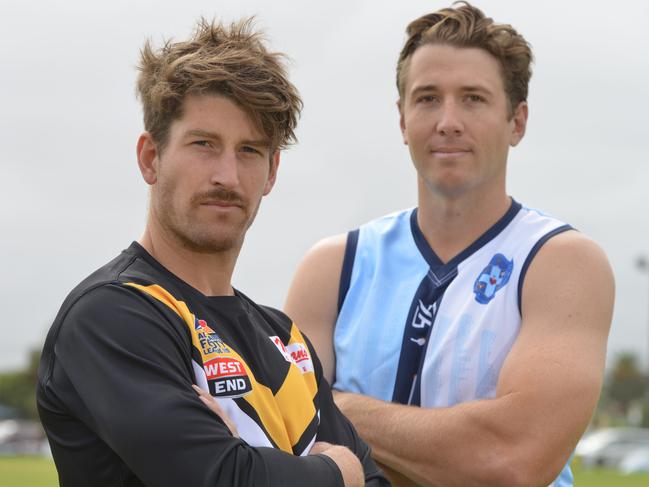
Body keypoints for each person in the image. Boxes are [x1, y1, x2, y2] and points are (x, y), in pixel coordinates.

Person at [36, 18, 388, 487]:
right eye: (204, 144)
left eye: (249, 150)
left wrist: (255, 462)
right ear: (150, 158)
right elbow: (224, 480)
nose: (227, 175)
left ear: (271, 172)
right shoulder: (111, 314)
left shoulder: (282, 336)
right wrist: (337, 471)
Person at [284, 3, 614, 486]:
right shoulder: (333, 267)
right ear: (401, 120)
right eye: (428, 98)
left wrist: (329, 404)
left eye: (474, 99)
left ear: (516, 121)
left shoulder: (561, 263)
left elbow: (510, 461)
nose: (448, 121)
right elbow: (281, 430)